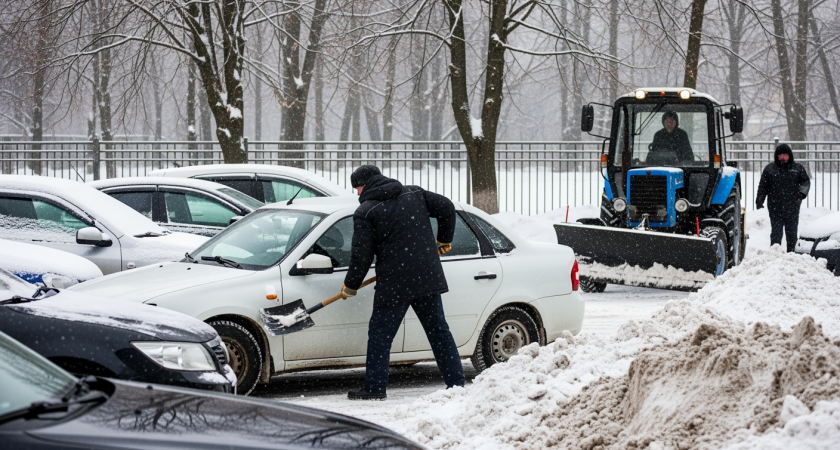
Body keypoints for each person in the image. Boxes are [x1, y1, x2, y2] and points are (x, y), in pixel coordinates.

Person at [340, 165, 465, 400]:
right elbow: (447, 207)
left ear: (365, 185)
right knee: (439, 332)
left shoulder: (366, 212)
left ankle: (375, 388)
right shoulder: (414, 194)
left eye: (356, 188)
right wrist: (444, 239)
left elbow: (361, 255)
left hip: (395, 283)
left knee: (380, 336)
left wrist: (352, 284)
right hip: (426, 277)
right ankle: (456, 383)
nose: (357, 194)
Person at [756, 144, 811, 252]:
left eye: (785, 155)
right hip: (775, 207)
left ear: (789, 156)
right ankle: (774, 255)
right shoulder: (770, 169)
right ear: (776, 156)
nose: (782, 157)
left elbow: (806, 182)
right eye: (780, 155)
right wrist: (759, 200)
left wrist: (801, 194)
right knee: (776, 234)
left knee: (792, 235)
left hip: (792, 207)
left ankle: (792, 256)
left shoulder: (797, 168)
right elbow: (763, 186)